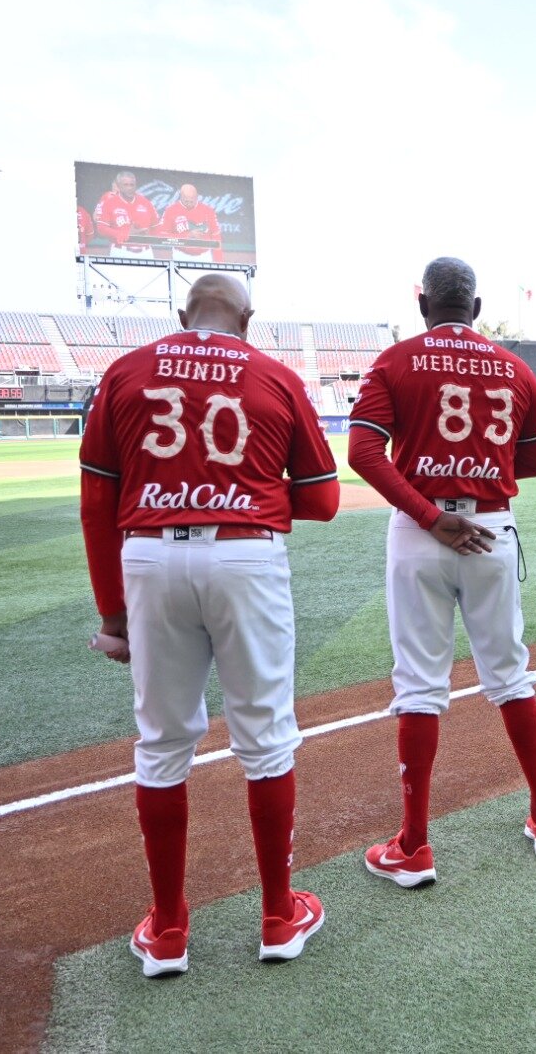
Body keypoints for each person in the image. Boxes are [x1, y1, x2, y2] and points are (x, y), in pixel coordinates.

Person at [78, 274, 339, 976]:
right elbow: (324, 499)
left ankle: (166, 930)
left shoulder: (126, 369)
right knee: (264, 733)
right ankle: (280, 918)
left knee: (162, 742)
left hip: (148, 557)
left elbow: (97, 502)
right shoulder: (276, 375)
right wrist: (248, 500)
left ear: (181, 313)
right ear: (248, 319)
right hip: (246, 555)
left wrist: (113, 614)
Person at [348, 257, 536, 886]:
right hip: (491, 527)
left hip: (421, 531)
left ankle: (415, 846)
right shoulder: (515, 367)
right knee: (510, 672)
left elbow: (363, 452)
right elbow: (530, 465)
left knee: (419, 684)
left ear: (423, 303)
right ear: (475, 305)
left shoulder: (395, 360)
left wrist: (428, 511)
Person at [93, 170, 160, 258]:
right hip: (121, 251)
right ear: (119, 186)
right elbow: (101, 228)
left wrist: (149, 234)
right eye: (126, 185)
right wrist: (124, 234)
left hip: (146, 252)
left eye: (132, 185)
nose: (129, 188)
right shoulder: (109, 202)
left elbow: (156, 226)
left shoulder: (146, 202)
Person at [159, 184, 225, 263]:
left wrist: (219, 260)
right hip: (181, 256)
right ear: (181, 197)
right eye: (186, 200)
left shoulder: (208, 210)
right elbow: (162, 236)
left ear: (197, 196)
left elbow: (216, 236)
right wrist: (187, 235)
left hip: (204, 256)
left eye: (192, 199)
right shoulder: (171, 210)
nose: (189, 202)